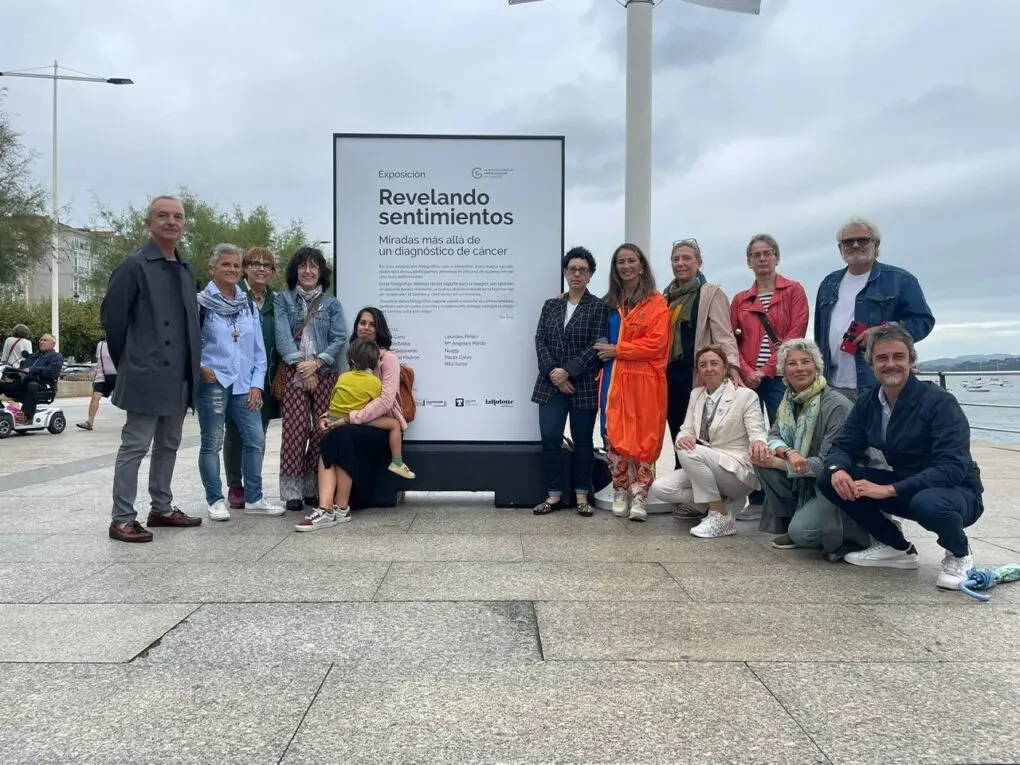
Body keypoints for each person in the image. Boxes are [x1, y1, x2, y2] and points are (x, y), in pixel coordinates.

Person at [816, 324, 984, 589]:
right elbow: (844, 446)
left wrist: (888, 490)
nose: (890, 364)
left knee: (927, 503)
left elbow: (952, 467)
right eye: (882, 358)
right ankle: (896, 547)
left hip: (956, 492)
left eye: (898, 357)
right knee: (828, 479)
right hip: (907, 486)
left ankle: (959, 553)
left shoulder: (939, 402)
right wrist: (838, 469)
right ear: (871, 364)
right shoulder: (869, 402)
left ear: (911, 361)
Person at [101, 194, 203, 543]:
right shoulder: (134, 266)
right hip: (145, 373)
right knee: (135, 445)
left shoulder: (186, 269)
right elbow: (113, 321)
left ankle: (161, 507)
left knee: (169, 444)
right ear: (148, 223)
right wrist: (131, 361)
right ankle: (122, 518)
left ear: (184, 224)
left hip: (180, 375)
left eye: (177, 216)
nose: (171, 221)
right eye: (162, 215)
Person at [752, 339, 870, 558]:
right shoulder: (789, 401)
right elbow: (775, 435)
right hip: (807, 478)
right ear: (783, 372)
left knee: (803, 533)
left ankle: (849, 530)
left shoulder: (835, 405)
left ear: (816, 366)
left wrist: (778, 462)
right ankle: (796, 518)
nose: (799, 368)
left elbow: (828, 463)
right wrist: (788, 452)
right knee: (761, 460)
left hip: (836, 483)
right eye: (792, 363)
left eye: (805, 362)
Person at [296, 307, 407, 531]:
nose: (366, 327)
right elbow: (345, 396)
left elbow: (385, 401)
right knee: (334, 436)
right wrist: (329, 416)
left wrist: (349, 418)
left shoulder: (388, 359)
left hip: (380, 428)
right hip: (350, 426)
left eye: (372, 324)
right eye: (362, 323)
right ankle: (331, 508)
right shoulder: (354, 356)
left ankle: (334, 507)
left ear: (380, 329)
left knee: (340, 435)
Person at [196, 243, 282, 521]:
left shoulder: (247, 305)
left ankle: (254, 497)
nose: (232, 270)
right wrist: (199, 368)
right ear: (212, 269)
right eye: (226, 264)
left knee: (255, 439)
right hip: (215, 381)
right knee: (212, 442)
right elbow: (186, 343)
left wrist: (257, 384)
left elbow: (258, 349)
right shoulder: (200, 304)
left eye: (235, 265)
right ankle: (215, 500)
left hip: (245, 384)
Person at [649, 345, 768, 538]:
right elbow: (685, 430)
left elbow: (757, 429)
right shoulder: (696, 395)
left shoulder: (745, 395)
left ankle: (718, 515)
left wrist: (759, 442)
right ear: (698, 371)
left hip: (737, 471)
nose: (709, 369)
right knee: (661, 488)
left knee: (688, 452)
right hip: (708, 466)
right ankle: (721, 500)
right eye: (703, 365)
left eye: (714, 363)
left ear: (725, 368)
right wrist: (683, 438)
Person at [813, 217, 935, 403]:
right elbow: (819, 335)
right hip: (832, 385)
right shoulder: (828, 284)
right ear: (840, 248)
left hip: (879, 384)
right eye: (848, 242)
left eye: (862, 240)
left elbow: (923, 322)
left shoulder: (901, 280)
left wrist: (883, 331)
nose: (855, 245)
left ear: (876, 244)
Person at [731, 233, 810, 518]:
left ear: (777, 257)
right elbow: (731, 340)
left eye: (767, 253)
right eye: (756, 255)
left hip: (779, 377)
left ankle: (788, 497)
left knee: (784, 434)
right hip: (748, 378)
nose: (762, 259)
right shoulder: (740, 299)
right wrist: (745, 370)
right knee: (747, 434)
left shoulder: (793, 291)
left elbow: (795, 334)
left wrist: (764, 371)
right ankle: (756, 498)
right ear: (748, 262)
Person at [531, 247, 609, 517]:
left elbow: (596, 345)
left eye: (583, 270)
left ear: (590, 275)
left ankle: (581, 495)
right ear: (565, 272)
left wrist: (568, 372)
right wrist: (554, 372)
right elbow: (540, 340)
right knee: (550, 437)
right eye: (572, 269)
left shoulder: (598, 306)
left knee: (583, 440)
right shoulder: (551, 305)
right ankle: (553, 494)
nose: (577, 274)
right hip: (550, 383)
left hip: (582, 384)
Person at [596, 243, 669, 522]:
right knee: (614, 433)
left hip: (645, 380)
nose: (626, 266)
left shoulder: (656, 302)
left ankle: (640, 494)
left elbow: (656, 343)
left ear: (641, 266)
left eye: (631, 261)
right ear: (615, 268)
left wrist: (619, 350)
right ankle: (619, 488)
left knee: (645, 435)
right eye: (620, 262)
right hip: (614, 378)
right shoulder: (608, 303)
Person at [274, 246, 348, 512]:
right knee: (294, 430)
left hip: (325, 373)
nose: (308, 271)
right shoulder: (284, 300)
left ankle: (312, 487)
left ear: (321, 272)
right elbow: (282, 336)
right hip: (294, 372)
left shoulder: (332, 304)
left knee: (322, 430)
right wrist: (301, 367)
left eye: (313, 266)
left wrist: (316, 364)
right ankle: (292, 491)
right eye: (303, 266)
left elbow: (339, 338)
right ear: (295, 271)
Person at [224, 246, 281, 509]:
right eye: (255, 264)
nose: (261, 269)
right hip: (235, 378)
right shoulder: (233, 296)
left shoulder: (277, 302)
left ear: (273, 272)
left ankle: (253, 488)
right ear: (246, 268)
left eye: (266, 265)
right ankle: (235, 485)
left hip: (265, 379)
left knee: (259, 433)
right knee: (235, 433)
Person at [319, 336, 414, 479]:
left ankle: (328, 495)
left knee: (329, 453)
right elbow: (378, 404)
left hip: (337, 418)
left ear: (351, 360)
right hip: (359, 418)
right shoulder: (374, 382)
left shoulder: (343, 377)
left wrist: (328, 416)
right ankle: (397, 462)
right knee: (395, 424)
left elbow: (334, 398)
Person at [0, 333, 62, 423]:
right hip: (24, 383)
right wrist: (11, 376)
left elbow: (52, 371)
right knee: (2, 384)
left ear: (53, 344)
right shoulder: (32, 356)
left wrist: (32, 369)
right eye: (41, 340)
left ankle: (26, 415)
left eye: (45, 340)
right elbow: (22, 370)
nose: (42, 342)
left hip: (43, 385)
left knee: (32, 385)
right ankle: (1, 410)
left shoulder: (56, 357)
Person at [76, 333, 117, 431]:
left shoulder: (120, 344)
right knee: (95, 398)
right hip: (102, 376)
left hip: (119, 375)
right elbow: (99, 363)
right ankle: (89, 422)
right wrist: (96, 378)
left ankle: (134, 421)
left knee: (127, 399)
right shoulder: (100, 345)